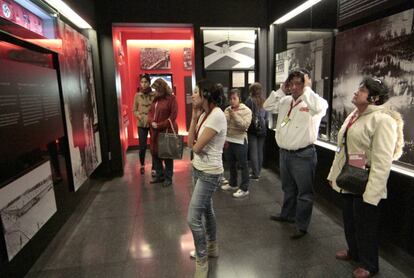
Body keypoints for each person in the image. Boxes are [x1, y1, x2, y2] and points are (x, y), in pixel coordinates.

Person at [327, 77, 404, 278]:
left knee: (365, 226)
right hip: (350, 176)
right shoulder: (354, 116)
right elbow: (342, 150)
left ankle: (369, 264)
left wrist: (373, 193)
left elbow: (382, 161)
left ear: (374, 98)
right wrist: (334, 175)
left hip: (366, 180)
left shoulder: (383, 120)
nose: (356, 92)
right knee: (350, 220)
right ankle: (354, 252)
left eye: (362, 89)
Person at [269, 69, 328, 239]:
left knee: (304, 193)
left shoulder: (314, 103)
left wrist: (307, 89)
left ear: (306, 83)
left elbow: (318, 107)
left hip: (303, 155)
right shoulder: (286, 101)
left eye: (299, 83)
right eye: (292, 83)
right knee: (288, 188)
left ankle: (301, 225)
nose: (294, 87)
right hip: (284, 153)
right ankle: (287, 214)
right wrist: (281, 90)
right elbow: (267, 106)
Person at [187, 80, 227, 278]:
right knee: (207, 211)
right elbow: (189, 141)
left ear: (205, 96)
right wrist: (194, 116)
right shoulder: (203, 114)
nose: (193, 95)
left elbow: (196, 147)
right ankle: (212, 247)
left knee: (193, 218)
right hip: (198, 168)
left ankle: (202, 259)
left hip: (210, 173)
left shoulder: (217, 115)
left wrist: (194, 142)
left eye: (196, 92)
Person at [221, 89, 252, 198]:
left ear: (239, 98)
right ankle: (233, 183)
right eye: (230, 99)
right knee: (231, 164)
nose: (232, 101)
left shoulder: (246, 110)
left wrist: (234, 115)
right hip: (229, 140)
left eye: (234, 98)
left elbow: (244, 126)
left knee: (243, 165)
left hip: (240, 141)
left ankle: (244, 188)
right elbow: (223, 124)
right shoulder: (227, 109)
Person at [147, 78, 178, 187]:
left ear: (162, 88)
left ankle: (168, 178)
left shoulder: (172, 99)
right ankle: (160, 176)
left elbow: (173, 117)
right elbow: (150, 113)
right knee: (155, 154)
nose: (155, 92)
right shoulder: (155, 99)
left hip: (166, 131)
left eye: (157, 89)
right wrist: (151, 122)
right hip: (154, 131)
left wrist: (159, 125)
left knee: (167, 155)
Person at [133, 74, 156, 175]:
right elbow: (134, 110)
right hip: (141, 123)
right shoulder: (137, 95)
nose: (143, 84)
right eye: (142, 82)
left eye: (145, 82)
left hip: (152, 123)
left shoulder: (154, 94)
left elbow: (157, 108)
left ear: (149, 83)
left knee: (154, 146)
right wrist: (139, 116)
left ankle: (155, 167)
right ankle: (142, 165)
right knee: (142, 146)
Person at [245, 82, 267, 180]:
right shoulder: (264, 101)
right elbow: (266, 116)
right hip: (263, 128)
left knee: (253, 151)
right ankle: (259, 171)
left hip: (253, 128)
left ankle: (255, 173)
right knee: (260, 151)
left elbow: (246, 115)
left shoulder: (249, 101)